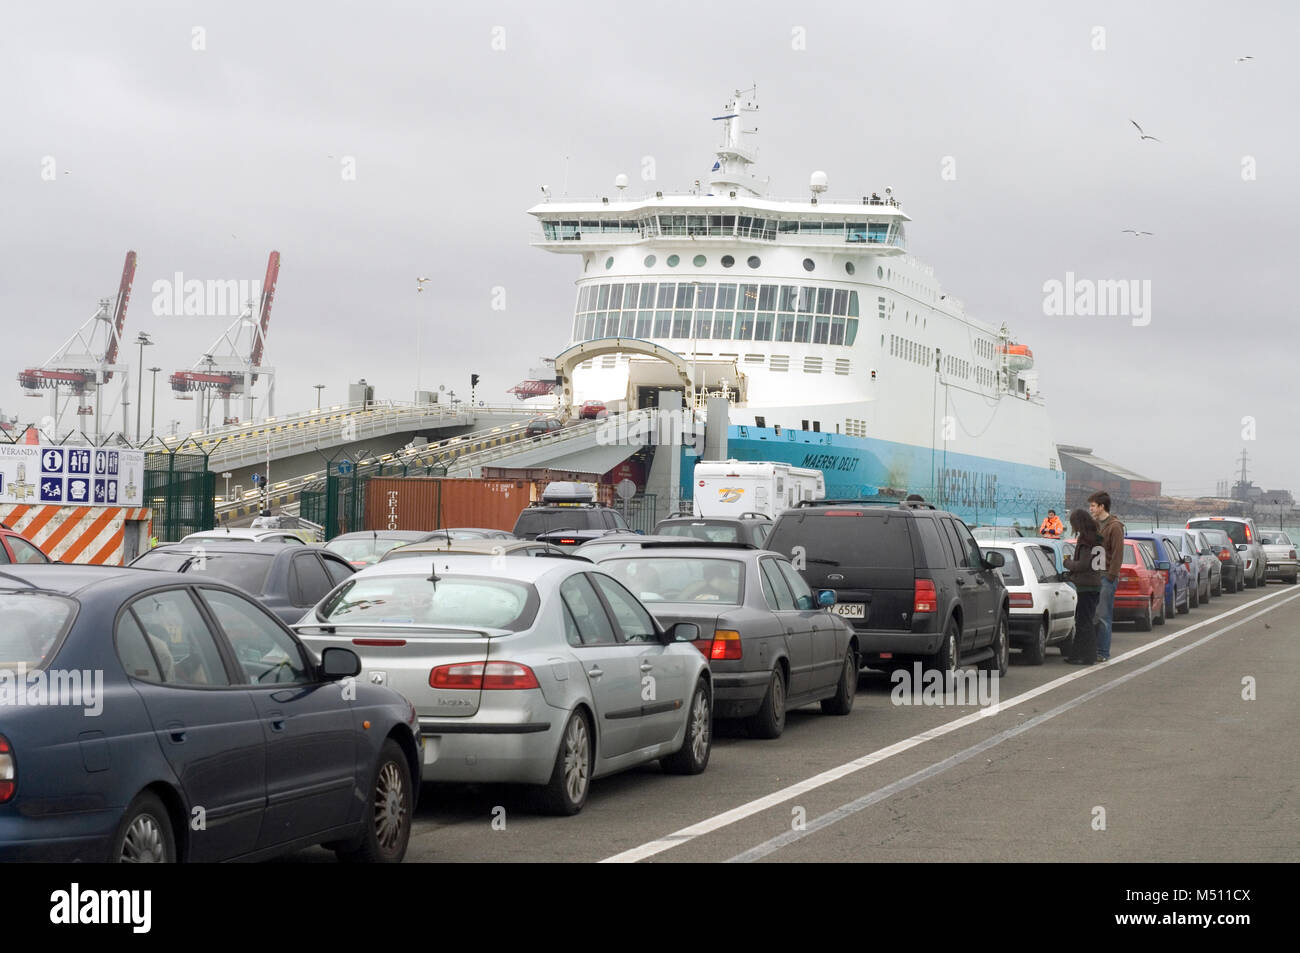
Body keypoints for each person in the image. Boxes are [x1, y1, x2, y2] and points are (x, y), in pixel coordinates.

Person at [1088, 491, 1125, 662]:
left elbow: (1118, 553)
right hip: (1093, 576)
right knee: (1092, 615)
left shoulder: (1115, 526)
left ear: (1102, 506)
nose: (1091, 509)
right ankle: (1092, 649)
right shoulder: (1094, 525)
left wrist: (1111, 575)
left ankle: (1103, 652)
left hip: (1106, 577)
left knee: (1103, 615)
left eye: (1093, 506)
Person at [1062, 508, 1102, 664]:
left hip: (1086, 585)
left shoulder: (1086, 540)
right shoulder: (1097, 537)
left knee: (1084, 622)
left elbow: (1083, 564)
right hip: (1095, 582)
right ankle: (1077, 655)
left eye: (1074, 524)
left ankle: (1087, 656)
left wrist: (1068, 563)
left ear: (1079, 523)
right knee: (1085, 620)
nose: (1073, 528)